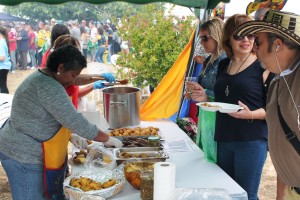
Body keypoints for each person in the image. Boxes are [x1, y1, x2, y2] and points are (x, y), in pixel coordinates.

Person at [0, 45, 122, 199]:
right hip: (21, 154)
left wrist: (100, 77)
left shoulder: (48, 75)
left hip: (30, 147)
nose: (73, 80)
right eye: (72, 74)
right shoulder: (48, 86)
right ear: (60, 67)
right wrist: (108, 139)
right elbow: (76, 121)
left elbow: (75, 79)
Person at [234, 10, 300, 200]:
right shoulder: (278, 80)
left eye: (259, 43)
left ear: (278, 45)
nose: (255, 49)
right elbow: (286, 143)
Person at [213, 14, 271, 200]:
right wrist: (204, 96)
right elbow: (224, 98)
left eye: (251, 35)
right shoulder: (223, 64)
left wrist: (251, 114)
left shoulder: (263, 66)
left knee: (245, 195)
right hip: (224, 137)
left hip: (251, 141)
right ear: (229, 37)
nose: (246, 40)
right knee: (226, 193)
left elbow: (275, 109)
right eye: (239, 35)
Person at [185, 18, 226, 163]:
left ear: (217, 35)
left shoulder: (226, 61)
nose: (202, 42)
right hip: (206, 116)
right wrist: (195, 92)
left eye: (204, 38)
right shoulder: (210, 60)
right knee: (206, 159)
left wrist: (205, 93)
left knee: (214, 162)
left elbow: (227, 94)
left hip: (218, 120)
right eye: (200, 38)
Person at [0, 27, 11, 93]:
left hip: (2, 66)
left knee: (2, 85)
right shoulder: (3, 41)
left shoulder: (1, 43)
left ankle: (5, 100)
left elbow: (2, 57)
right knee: (2, 85)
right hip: (4, 66)